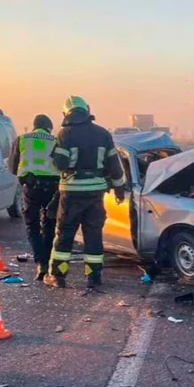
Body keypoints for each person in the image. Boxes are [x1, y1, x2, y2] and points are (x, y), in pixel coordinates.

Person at [46, 96, 125, 289]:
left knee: (65, 234)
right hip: (96, 193)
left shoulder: (65, 134)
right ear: (86, 110)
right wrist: (119, 189)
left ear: (67, 113)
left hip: (72, 193)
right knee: (93, 235)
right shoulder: (103, 134)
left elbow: (60, 164)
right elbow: (115, 166)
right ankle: (94, 278)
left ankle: (58, 276)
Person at [9, 114, 59, 281]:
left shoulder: (22, 139)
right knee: (50, 223)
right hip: (52, 187)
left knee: (32, 225)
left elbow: (12, 167)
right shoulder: (55, 140)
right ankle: (47, 259)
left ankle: (40, 262)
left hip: (31, 187)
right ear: (48, 127)